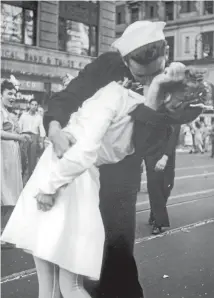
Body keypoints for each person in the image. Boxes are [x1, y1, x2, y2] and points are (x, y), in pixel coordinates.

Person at [1, 60, 205, 298]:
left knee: (62, 285)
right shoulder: (139, 111)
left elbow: (86, 150)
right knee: (58, 285)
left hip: (66, 176)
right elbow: (105, 151)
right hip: (78, 179)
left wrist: (50, 185)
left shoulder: (118, 95)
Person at [42, 21, 204, 298]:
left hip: (122, 171)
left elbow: (148, 140)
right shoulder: (106, 65)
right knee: (75, 248)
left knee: (117, 245)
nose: (146, 81)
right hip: (83, 166)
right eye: (140, 74)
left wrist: (165, 92)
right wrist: (54, 125)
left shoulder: (171, 80)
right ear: (125, 59)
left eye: (153, 72)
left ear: (165, 54)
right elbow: (71, 94)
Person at [1, 80, 31, 245]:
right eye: (9, 93)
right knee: (4, 192)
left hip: (10, 157)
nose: (13, 97)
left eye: (14, 94)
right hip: (3, 157)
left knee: (9, 193)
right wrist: (18, 137)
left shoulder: (7, 112)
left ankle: (5, 233)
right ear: (1, 94)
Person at [144, 124, 181, 234]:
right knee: (154, 186)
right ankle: (159, 222)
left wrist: (165, 157)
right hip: (151, 154)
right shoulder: (151, 110)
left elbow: (173, 137)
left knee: (167, 186)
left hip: (168, 156)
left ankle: (154, 213)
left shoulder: (175, 113)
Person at [19, 99, 46, 180]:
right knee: (22, 158)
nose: (34, 106)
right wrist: (19, 137)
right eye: (32, 104)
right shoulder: (24, 115)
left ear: (37, 106)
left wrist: (41, 141)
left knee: (32, 160)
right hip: (24, 136)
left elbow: (41, 130)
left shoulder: (39, 117)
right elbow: (19, 127)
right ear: (29, 105)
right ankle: (20, 177)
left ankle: (30, 180)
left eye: (35, 105)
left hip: (34, 137)